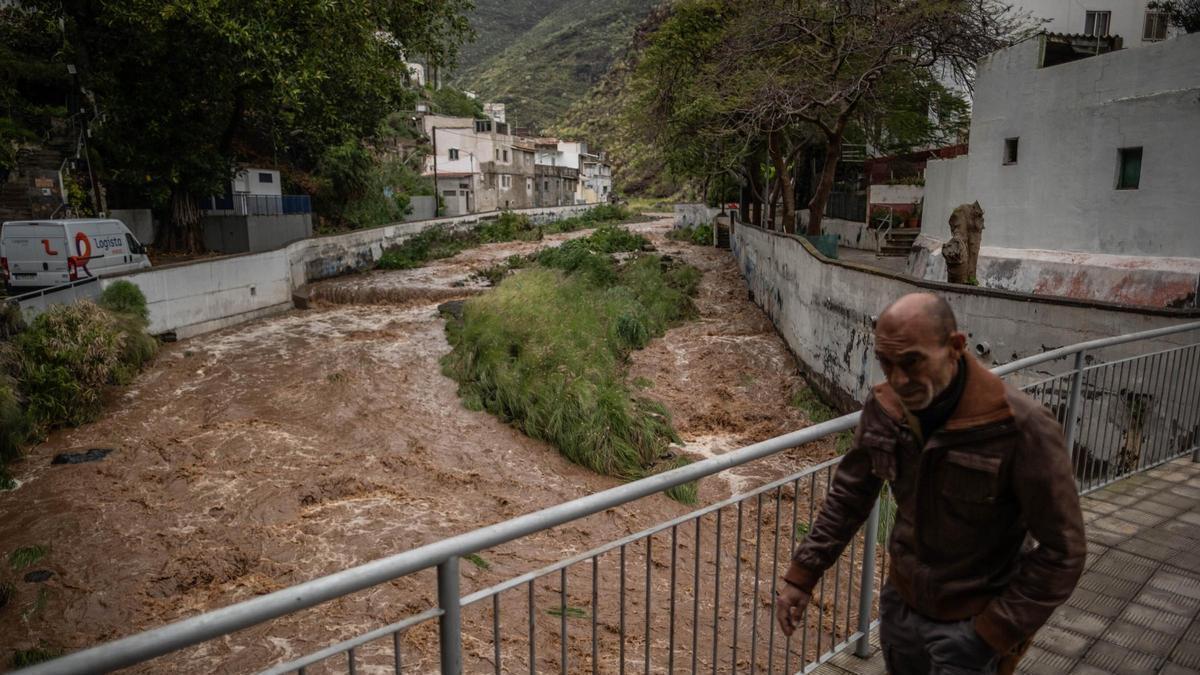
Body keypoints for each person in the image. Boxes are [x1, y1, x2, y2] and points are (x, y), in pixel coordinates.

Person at [774, 293, 1085, 675]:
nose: (899, 380)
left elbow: (1064, 551)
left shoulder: (1019, 427)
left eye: (912, 362)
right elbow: (848, 498)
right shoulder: (885, 409)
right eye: (886, 364)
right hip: (901, 611)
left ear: (955, 347)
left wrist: (992, 632)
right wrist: (802, 577)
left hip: (972, 624)